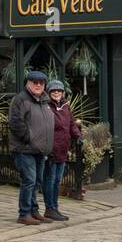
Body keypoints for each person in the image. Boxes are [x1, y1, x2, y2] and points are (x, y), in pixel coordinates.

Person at [7, 70, 53, 226]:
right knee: (29, 180)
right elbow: (15, 122)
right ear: (28, 83)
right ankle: (24, 213)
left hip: (40, 149)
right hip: (24, 148)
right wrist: (29, 138)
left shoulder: (44, 101)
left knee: (37, 181)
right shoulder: (20, 99)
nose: (38, 85)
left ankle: (34, 211)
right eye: (35, 82)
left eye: (41, 83)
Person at [43, 79, 81, 222]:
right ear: (49, 92)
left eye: (59, 90)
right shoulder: (47, 106)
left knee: (58, 180)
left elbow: (71, 124)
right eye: (53, 90)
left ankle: (55, 207)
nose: (56, 92)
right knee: (50, 180)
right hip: (52, 150)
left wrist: (78, 135)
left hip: (63, 150)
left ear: (63, 92)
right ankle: (50, 208)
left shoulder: (65, 106)